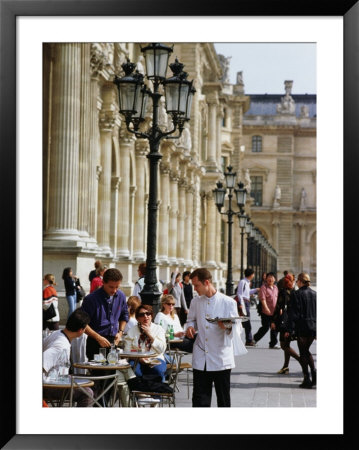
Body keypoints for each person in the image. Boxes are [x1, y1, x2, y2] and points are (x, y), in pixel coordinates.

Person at [186, 268, 246, 407]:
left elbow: (237, 327)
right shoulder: (195, 302)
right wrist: (189, 327)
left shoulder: (228, 302)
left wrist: (227, 326)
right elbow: (191, 320)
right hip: (201, 357)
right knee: (200, 400)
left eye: (196, 285)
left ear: (206, 282)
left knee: (223, 400)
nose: (195, 289)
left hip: (221, 357)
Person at [43, 309, 93, 407]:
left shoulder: (57, 333)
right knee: (87, 393)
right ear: (80, 330)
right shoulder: (61, 346)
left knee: (90, 383)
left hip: (55, 381)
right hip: (49, 386)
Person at [81, 268, 129, 361]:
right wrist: (98, 338)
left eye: (117, 287)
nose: (114, 290)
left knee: (112, 373)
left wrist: (120, 332)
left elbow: (124, 315)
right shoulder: (91, 299)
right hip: (95, 341)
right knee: (99, 374)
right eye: (111, 287)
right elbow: (82, 323)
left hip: (113, 341)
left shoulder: (121, 296)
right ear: (103, 282)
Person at [285, 273, 316, 388]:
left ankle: (307, 378)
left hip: (302, 327)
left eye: (297, 280)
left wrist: (289, 329)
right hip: (313, 327)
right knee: (306, 351)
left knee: (303, 353)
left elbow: (293, 313)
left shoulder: (296, 294)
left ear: (301, 281)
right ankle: (314, 374)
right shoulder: (315, 294)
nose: (296, 282)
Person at [124, 304, 167, 381]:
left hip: (155, 358)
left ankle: (158, 391)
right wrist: (139, 358)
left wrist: (149, 334)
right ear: (137, 318)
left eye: (148, 314)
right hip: (136, 359)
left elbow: (161, 349)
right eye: (142, 315)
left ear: (151, 316)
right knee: (136, 373)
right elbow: (127, 351)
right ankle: (140, 392)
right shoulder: (132, 331)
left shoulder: (158, 329)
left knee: (158, 371)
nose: (146, 316)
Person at [271, 273, 300, 373]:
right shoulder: (295, 292)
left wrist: (273, 321)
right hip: (292, 322)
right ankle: (285, 367)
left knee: (284, 345)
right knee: (286, 344)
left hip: (284, 323)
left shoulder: (283, 292)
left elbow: (278, 307)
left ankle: (300, 360)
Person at [253, 272, 280, 348]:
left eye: (272, 277)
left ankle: (273, 344)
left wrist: (280, 309)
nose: (270, 279)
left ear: (275, 279)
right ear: (266, 278)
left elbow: (278, 299)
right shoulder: (263, 287)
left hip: (274, 312)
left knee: (274, 327)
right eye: (269, 277)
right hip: (265, 312)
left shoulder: (275, 288)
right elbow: (263, 299)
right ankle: (255, 339)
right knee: (265, 327)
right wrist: (266, 307)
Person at [236, 268, 260, 346]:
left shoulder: (246, 282)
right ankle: (248, 340)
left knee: (246, 322)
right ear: (251, 274)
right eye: (253, 274)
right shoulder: (243, 282)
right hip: (244, 303)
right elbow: (239, 294)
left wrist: (256, 290)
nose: (254, 275)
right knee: (246, 322)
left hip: (246, 302)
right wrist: (241, 304)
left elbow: (247, 292)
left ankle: (248, 340)